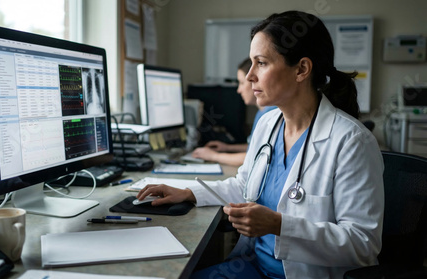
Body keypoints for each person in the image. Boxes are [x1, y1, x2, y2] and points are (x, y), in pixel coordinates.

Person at [136, 10, 384, 278]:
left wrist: (279, 225)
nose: (250, 75)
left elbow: (363, 245)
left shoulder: (351, 141)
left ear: (301, 69)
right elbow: (244, 186)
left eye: (261, 63)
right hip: (252, 265)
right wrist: (189, 192)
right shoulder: (269, 123)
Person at [191, 58, 276, 166]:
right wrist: (227, 147)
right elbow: (255, 147)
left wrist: (214, 156)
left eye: (241, 83)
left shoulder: (271, 115)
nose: (238, 90)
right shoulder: (262, 113)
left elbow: (254, 158)